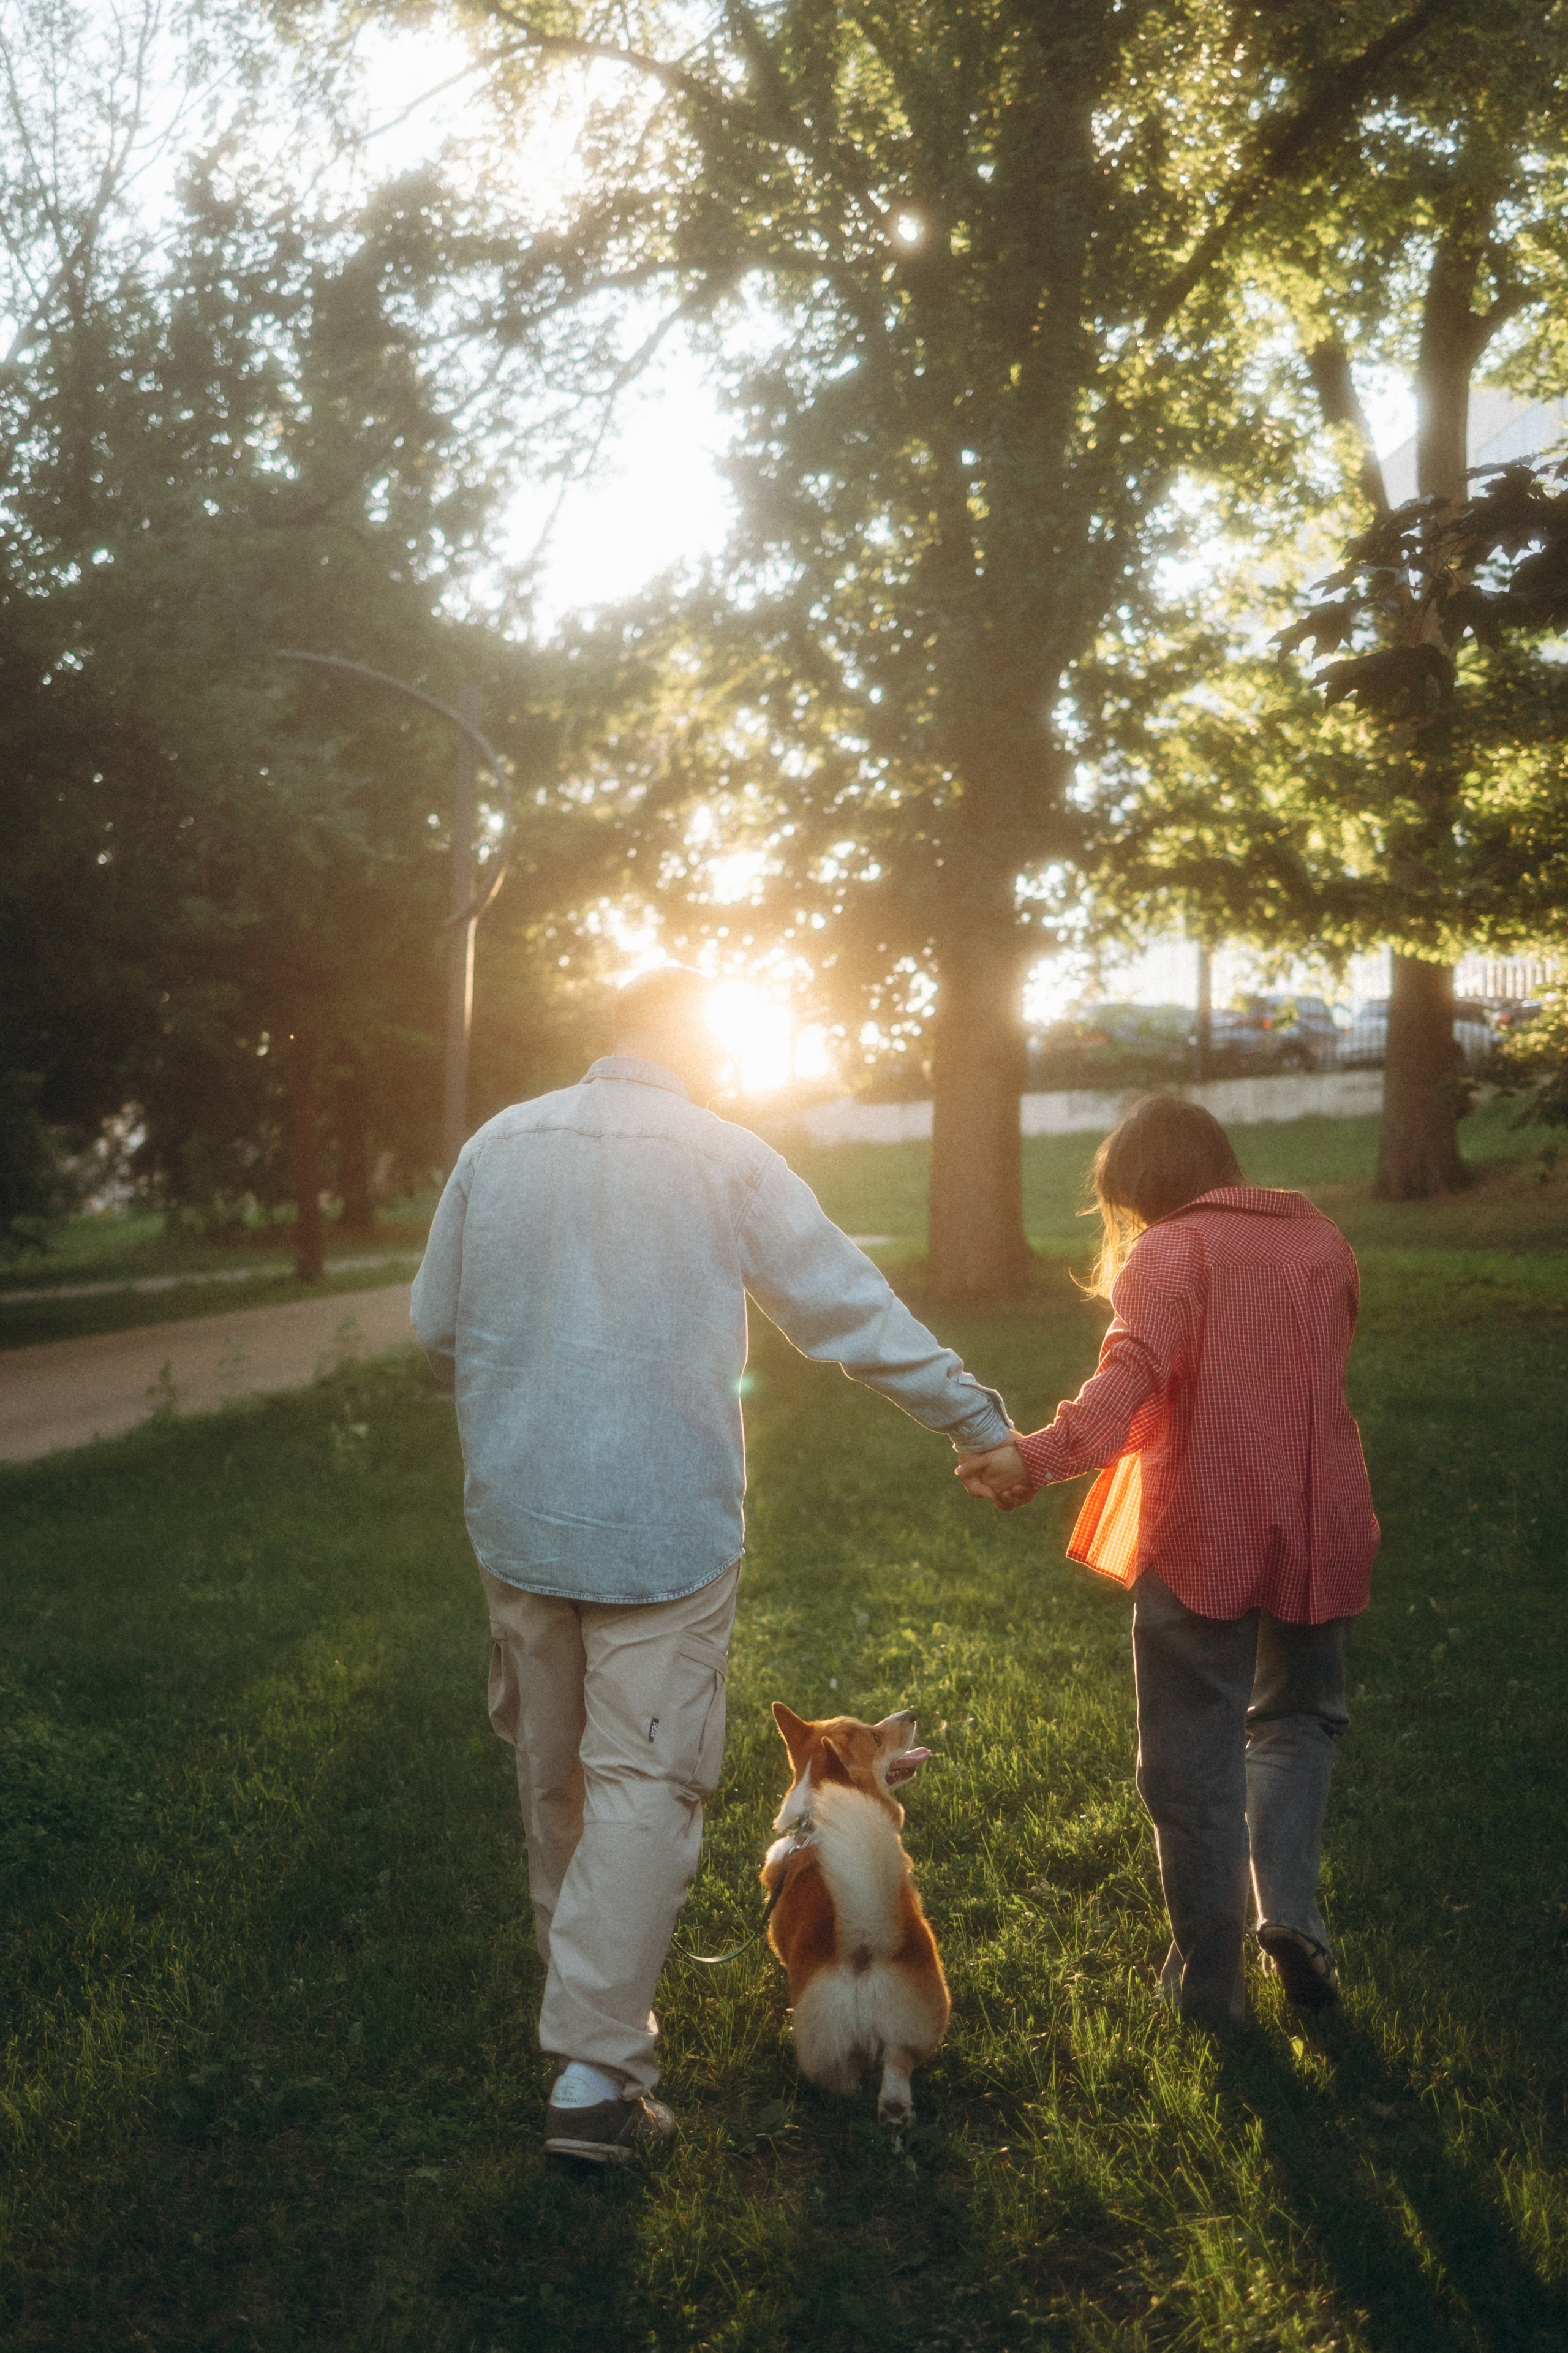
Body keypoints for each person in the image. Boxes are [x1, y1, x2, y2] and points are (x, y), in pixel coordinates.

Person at [411, 965, 1013, 2160]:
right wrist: (977, 1422)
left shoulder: (497, 1146)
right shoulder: (721, 1153)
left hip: (523, 1522)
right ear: (699, 1051)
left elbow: (436, 1327)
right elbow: (844, 1306)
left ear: (602, 1041)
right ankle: (593, 2074)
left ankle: (591, 2026)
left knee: (555, 1781)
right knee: (643, 1786)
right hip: (662, 1530)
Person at [956, 1094, 1379, 2030]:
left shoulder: (1171, 1251)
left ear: (1143, 1189)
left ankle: (1210, 1984)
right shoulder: (1319, 1238)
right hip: (1322, 1519)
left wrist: (1032, 1455)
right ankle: (1293, 1918)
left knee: (1190, 1759)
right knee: (1300, 1718)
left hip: (1207, 1525)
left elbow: (1132, 1383)